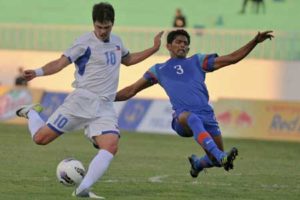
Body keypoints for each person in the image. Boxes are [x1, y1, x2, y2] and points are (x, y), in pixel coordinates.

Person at [16, 2, 163, 199]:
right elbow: (60, 63)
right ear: (93, 23)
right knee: (40, 139)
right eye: (99, 27)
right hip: (80, 102)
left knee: (110, 145)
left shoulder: (117, 42)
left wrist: (154, 48)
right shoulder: (83, 43)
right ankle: (32, 112)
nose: (102, 31)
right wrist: (38, 72)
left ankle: (83, 189)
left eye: (107, 27)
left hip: (104, 107)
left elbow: (129, 60)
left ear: (113, 24)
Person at [115, 29, 274, 177]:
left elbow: (232, 59)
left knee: (216, 161)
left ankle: (198, 164)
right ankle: (220, 155)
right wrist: (107, 97)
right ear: (168, 46)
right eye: (178, 42)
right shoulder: (159, 70)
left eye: (185, 43)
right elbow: (131, 90)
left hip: (207, 116)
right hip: (182, 120)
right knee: (191, 119)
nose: (183, 45)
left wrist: (255, 42)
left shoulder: (198, 61)